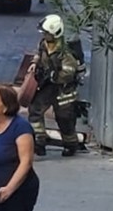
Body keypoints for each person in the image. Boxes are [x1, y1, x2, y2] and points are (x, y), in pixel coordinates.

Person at [28, 14, 85, 157]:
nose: (44, 35)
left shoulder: (66, 52)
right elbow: (39, 54)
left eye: (47, 33)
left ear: (55, 33)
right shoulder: (44, 44)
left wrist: (54, 76)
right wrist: (35, 64)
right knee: (35, 110)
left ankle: (70, 145)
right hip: (48, 86)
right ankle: (39, 141)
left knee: (64, 118)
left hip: (63, 89)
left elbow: (68, 72)